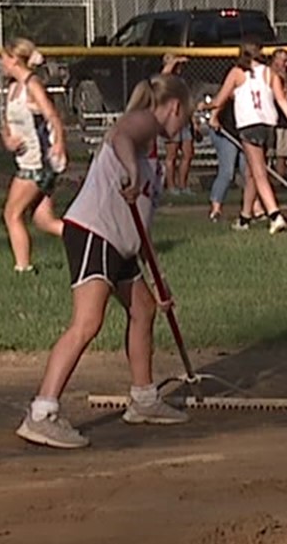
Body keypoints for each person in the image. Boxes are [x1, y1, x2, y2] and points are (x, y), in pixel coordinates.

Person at [15, 72, 195, 449]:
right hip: (95, 233)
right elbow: (122, 136)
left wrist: (158, 280)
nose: (182, 126)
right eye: (184, 118)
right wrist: (130, 170)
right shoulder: (144, 123)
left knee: (143, 309)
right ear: (174, 107)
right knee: (87, 323)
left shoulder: (153, 155)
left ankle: (144, 399)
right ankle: (41, 412)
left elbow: (142, 224)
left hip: (120, 243)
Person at [204, 38, 287, 233]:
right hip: (268, 126)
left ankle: (274, 214)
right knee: (251, 173)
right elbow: (281, 100)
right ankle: (245, 217)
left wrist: (205, 106)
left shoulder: (237, 73)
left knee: (258, 172)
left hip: (249, 125)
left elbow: (220, 98)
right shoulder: (269, 73)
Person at [0, 37, 67, 273]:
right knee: (43, 221)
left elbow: (53, 116)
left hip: (37, 163)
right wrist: (8, 140)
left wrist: (58, 143)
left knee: (11, 214)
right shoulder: (13, 88)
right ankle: (91, 240)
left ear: (15, 59)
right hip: (24, 158)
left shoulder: (32, 85)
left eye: (4, 58)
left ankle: (23, 268)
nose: (1, 63)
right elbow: (6, 124)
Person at [159, 54, 195, 195]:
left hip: (184, 121)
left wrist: (193, 121)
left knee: (188, 153)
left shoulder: (181, 81)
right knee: (171, 156)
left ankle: (183, 185)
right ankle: (172, 186)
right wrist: (173, 62)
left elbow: (186, 101)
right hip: (171, 122)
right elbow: (164, 76)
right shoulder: (165, 81)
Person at [270, 47, 287, 187]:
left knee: (282, 154)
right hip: (271, 119)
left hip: (284, 121)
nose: (286, 64)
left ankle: (279, 182)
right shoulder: (269, 76)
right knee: (268, 153)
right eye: (283, 60)